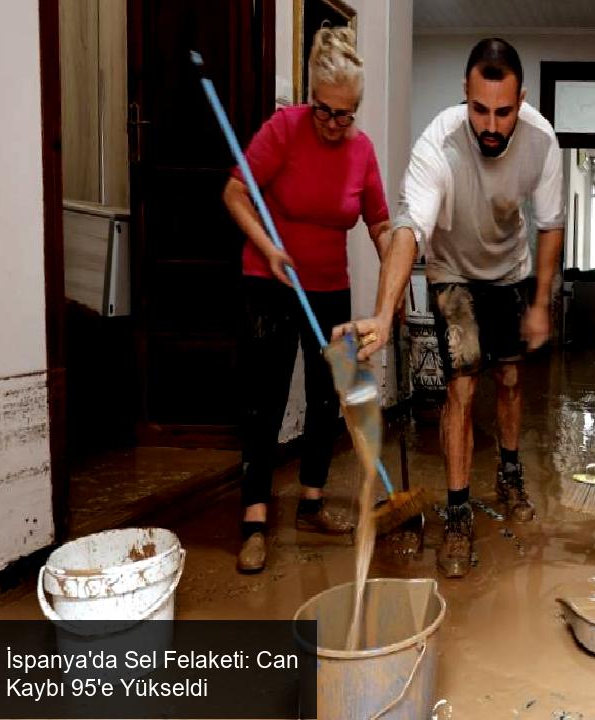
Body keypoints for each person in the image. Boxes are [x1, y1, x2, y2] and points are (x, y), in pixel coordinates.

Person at [334, 39, 565, 579]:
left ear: (520, 101)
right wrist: (384, 311)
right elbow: (409, 228)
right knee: (462, 383)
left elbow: (550, 224)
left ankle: (510, 475)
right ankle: (458, 513)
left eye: (502, 112)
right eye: (479, 109)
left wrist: (539, 302)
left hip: (509, 269)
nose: (490, 124)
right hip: (452, 273)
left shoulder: (541, 141)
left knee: (508, 381)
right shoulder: (437, 143)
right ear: (465, 96)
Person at [223, 27, 393, 574]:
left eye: (347, 114)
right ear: (310, 97)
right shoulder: (284, 130)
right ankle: (254, 517)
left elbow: (380, 224)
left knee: (330, 396)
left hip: (329, 287)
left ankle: (312, 501)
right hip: (270, 279)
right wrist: (269, 247)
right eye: (325, 111)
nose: (335, 125)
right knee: (264, 398)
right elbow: (234, 192)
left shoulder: (361, 151)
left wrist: (401, 260)